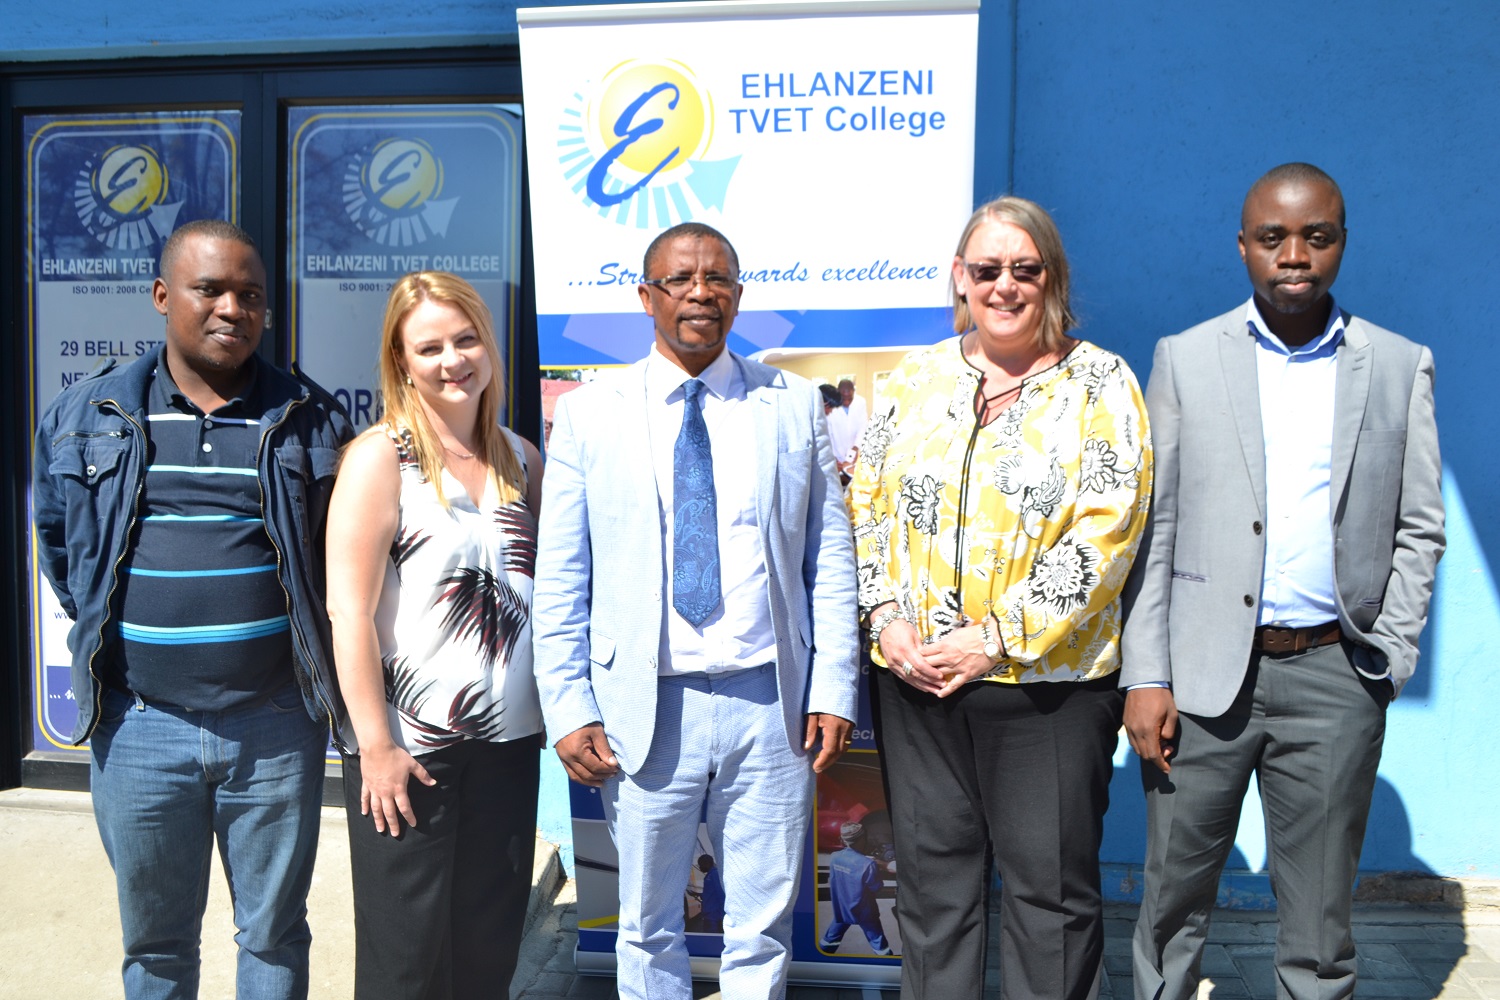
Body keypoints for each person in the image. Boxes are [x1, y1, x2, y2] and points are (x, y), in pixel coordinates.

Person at [1121, 163, 1445, 1000]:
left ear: (1342, 243)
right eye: (1273, 237)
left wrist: (1388, 659)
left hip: (1336, 678)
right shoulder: (1187, 358)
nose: (1294, 254)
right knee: (1171, 905)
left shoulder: (1398, 364)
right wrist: (1146, 674)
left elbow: (1419, 526)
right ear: (1243, 247)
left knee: (1320, 926)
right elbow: (1155, 527)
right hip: (1202, 685)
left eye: (1316, 236)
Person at [531, 221, 859, 1000]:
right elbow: (562, 575)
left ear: (738, 296)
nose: (700, 293)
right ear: (647, 297)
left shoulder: (791, 405)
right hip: (646, 708)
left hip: (770, 704)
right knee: (646, 924)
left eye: (717, 279)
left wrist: (835, 685)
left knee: (762, 924)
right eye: (679, 279)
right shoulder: (591, 413)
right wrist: (568, 704)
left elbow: (830, 557)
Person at [32, 218, 353, 999]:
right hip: (141, 727)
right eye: (210, 289)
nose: (232, 309)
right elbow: (64, 548)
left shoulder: (310, 420)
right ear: (162, 295)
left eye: (251, 295)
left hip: (275, 725)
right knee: (156, 945)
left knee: (273, 935)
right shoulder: (87, 415)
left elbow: (336, 567)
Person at [849, 195, 1152, 999]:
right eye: (987, 270)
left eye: (1025, 269)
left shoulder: (1101, 384)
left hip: (1045, 692)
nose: (1005, 286)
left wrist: (994, 637)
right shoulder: (915, 377)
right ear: (960, 276)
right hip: (917, 684)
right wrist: (886, 619)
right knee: (932, 897)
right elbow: (865, 506)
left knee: (1050, 904)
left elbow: (1107, 534)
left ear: (1052, 277)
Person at [324, 272, 545, 999]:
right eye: (430, 347)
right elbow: (349, 612)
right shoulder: (379, 458)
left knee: (488, 953)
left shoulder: (521, 459)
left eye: (466, 339)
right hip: (408, 752)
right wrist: (374, 746)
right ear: (401, 361)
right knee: (405, 966)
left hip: (509, 745)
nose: (453, 360)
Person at [818, 821, 893, 957]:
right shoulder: (868, 864)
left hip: (842, 909)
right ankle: (888, 963)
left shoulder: (834, 857)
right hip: (865, 912)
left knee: (830, 939)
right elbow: (876, 887)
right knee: (878, 943)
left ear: (843, 840)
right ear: (862, 839)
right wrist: (876, 867)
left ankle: (819, 957)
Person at [827, 377, 867, 481]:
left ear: (853, 391)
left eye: (849, 398)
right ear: (838, 392)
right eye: (843, 399)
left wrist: (856, 447)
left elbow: (862, 427)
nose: (846, 402)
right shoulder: (832, 405)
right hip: (836, 452)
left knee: (855, 481)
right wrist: (832, 456)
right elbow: (828, 433)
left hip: (855, 451)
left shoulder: (860, 402)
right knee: (839, 481)